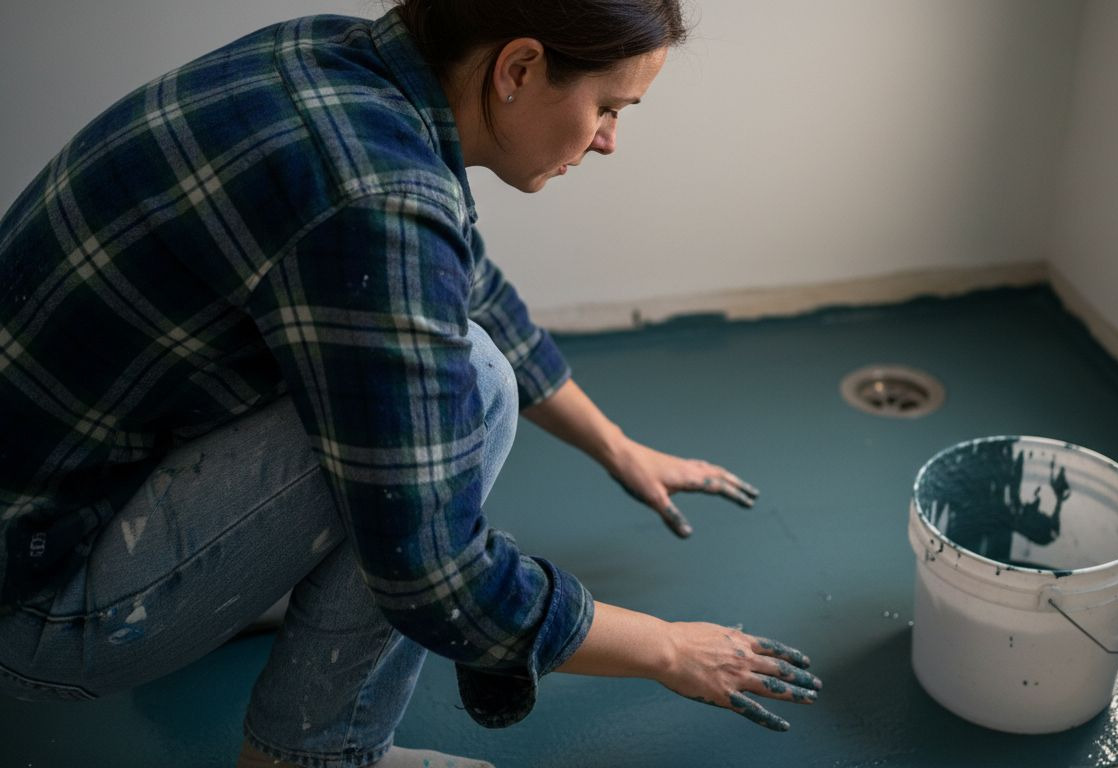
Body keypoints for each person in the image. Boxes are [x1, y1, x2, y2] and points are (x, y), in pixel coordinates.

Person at [0, 1, 822, 766]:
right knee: (472, 388)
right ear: (520, 69)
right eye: (610, 107)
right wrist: (669, 650)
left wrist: (619, 450)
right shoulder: (379, 196)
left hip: (50, 503)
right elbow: (432, 575)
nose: (608, 140)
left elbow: (463, 288)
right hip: (37, 607)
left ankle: (229, 601)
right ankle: (312, 755)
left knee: (444, 367)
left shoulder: (331, 59)